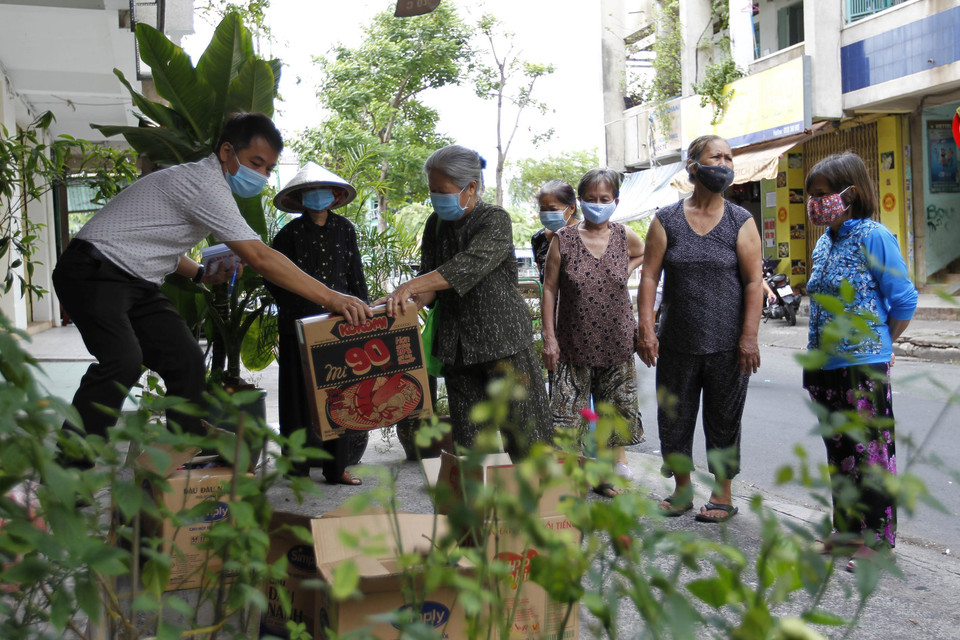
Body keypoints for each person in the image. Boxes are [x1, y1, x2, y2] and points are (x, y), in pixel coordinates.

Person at [52, 113, 372, 461]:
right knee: (122, 361)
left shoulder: (202, 184)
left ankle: (183, 444)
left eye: (268, 168)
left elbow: (156, 240)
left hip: (136, 281)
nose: (262, 175)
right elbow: (260, 257)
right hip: (92, 272)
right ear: (226, 152)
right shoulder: (205, 183)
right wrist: (332, 297)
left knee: (186, 358)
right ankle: (71, 463)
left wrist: (201, 274)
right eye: (256, 163)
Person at [382, 144, 552, 459]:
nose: (435, 198)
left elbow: (466, 267)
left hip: (504, 345)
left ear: (470, 187)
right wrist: (397, 303)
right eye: (432, 191)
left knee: (527, 438)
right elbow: (430, 284)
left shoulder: (495, 219)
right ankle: (479, 492)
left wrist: (410, 286)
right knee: (471, 445)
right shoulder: (435, 224)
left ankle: (541, 491)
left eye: (442, 191)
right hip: (457, 349)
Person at [637, 134, 763, 522]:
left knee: (724, 421)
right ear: (693, 166)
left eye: (728, 158)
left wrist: (749, 337)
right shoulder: (667, 220)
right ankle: (682, 491)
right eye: (715, 157)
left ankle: (722, 496)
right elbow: (649, 276)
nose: (724, 164)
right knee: (674, 419)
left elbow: (754, 282)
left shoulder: (741, 221)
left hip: (728, 346)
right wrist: (646, 328)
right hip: (677, 342)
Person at [801, 152, 917, 572]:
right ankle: (848, 530)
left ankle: (878, 540)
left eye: (823, 193)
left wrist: (881, 344)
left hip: (862, 366)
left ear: (851, 192)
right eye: (812, 195)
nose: (815, 203)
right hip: (823, 366)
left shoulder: (874, 236)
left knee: (871, 454)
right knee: (841, 452)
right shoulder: (824, 242)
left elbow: (904, 299)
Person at [540, 169, 645, 497]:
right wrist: (549, 338)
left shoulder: (624, 235)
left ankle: (604, 476)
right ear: (579, 201)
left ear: (615, 201)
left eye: (604, 199)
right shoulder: (563, 239)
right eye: (590, 199)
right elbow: (549, 289)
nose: (597, 204)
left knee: (612, 415)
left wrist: (625, 269)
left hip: (616, 342)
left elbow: (643, 253)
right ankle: (569, 480)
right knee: (568, 418)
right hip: (572, 344)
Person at [266, 163, 371, 485]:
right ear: (298, 199)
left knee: (340, 395)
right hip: (297, 326)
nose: (316, 197)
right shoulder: (287, 235)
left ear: (335, 196)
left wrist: (364, 313)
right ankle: (296, 469)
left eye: (322, 191)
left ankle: (336, 469)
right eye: (309, 192)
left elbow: (355, 274)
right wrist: (301, 309)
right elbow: (274, 280)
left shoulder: (345, 230)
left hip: (340, 324)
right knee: (295, 398)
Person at [531, 180, 579, 281]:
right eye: (543, 209)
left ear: (571, 208)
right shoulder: (539, 239)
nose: (548, 214)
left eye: (553, 209)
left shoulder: (586, 236)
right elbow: (545, 278)